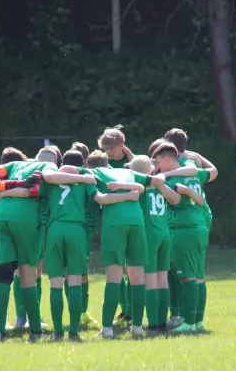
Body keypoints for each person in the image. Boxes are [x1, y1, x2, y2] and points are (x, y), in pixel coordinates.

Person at [0, 149, 140, 341]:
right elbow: (98, 199)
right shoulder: (86, 178)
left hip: (55, 231)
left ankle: (57, 332)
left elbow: (32, 192)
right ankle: (74, 332)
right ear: (82, 164)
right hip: (77, 231)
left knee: (55, 283)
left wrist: (3, 194)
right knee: (74, 282)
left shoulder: (51, 180)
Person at [0, 150, 97, 341]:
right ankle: (35, 328)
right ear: (55, 162)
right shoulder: (48, 168)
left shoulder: (15, 164)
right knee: (28, 274)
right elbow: (37, 186)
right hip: (26, 218)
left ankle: (0, 329)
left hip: (1, 216)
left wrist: (2, 192)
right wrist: (85, 179)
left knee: (4, 272)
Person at [59, 150, 164, 338]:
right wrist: (130, 192)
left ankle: (107, 329)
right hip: (137, 222)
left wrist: (89, 176)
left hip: (114, 223)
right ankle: (138, 328)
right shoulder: (128, 172)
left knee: (114, 276)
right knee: (137, 276)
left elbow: (98, 197)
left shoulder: (93, 173)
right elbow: (152, 182)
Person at [151, 142, 218, 334]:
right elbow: (212, 174)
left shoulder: (171, 179)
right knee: (198, 277)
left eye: (158, 163)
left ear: (167, 159)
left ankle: (188, 322)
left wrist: (160, 185)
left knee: (187, 277)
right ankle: (198, 321)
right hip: (200, 227)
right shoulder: (194, 173)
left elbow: (176, 199)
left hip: (183, 230)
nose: (158, 168)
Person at [127, 154, 198, 334]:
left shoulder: (140, 183)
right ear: (151, 170)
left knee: (150, 280)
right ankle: (162, 320)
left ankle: (154, 322)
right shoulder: (160, 184)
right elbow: (175, 199)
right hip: (164, 233)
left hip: (148, 234)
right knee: (163, 279)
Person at [12, 147, 58, 330]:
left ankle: (24, 318)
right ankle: (28, 318)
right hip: (34, 226)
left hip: (29, 224)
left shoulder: (25, 170)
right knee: (31, 271)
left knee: (24, 271)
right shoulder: (45, 174)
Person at [97, 126, 136, 327]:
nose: (108, 153)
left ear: (121, 145)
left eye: (111, 148)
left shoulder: (131, 162)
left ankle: (132, 310)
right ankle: (124, 309)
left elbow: (139, 168)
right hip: (112, 218)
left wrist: (128, 152)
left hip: (131, 217)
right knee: (115, 268)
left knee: (132, 268)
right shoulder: (106, 163)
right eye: (105, 149)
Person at [68, 142, 100, 327]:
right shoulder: (85, 178)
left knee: (76, 272)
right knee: (79, 273)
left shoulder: (88, 177)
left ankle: (81, 312)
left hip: (84, 228)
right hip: (82, 228)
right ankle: (80, 312)